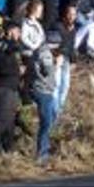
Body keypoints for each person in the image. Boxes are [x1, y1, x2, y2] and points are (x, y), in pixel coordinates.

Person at [0, 19, 25, 153]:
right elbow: (0, 66)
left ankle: (8, 149)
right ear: (10, 31)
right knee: (1, 119)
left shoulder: (15, 46)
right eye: (17, 30)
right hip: (3, 87)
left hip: (13, 87)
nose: (19, 33)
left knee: (10, 121)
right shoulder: (2, 44)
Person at [30, 36, 63, 164]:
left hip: (44, 89)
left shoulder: (41, 51)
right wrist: (57, 65)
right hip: (43, 90)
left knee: (51, 118)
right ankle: (42, 154)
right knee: (46, 123)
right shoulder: (46, 54)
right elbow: (48, 71)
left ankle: (45, 150)